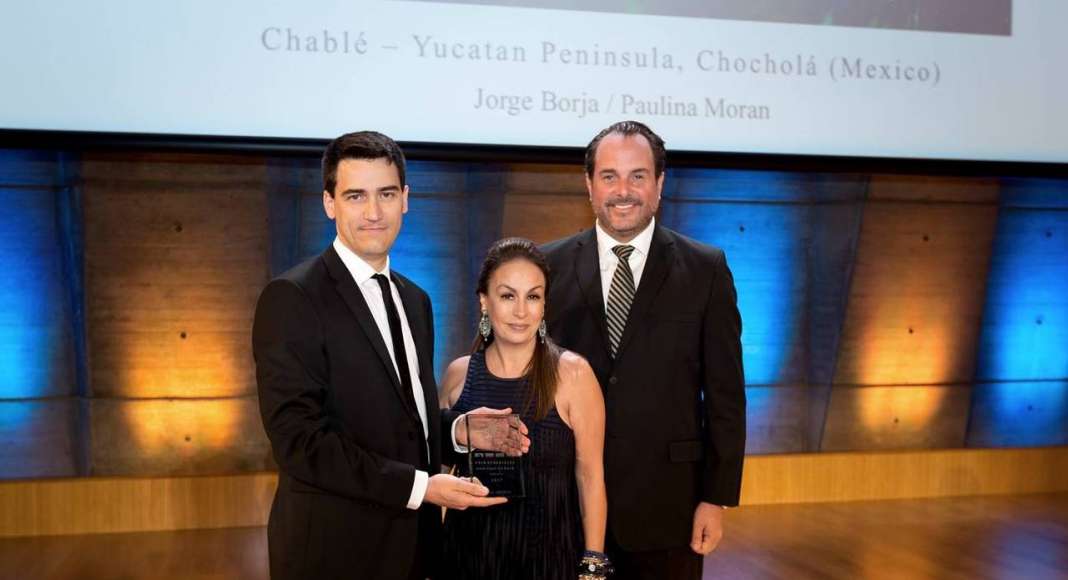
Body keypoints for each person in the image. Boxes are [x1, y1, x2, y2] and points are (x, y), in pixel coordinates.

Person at [253, 131, 525, 580]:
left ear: (406, 199)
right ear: (329, 202)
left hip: (414, 549)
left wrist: (458, 430)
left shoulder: (415, 299)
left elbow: (399, 420)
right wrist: (423, 487)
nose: (374, 212)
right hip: (332, 551)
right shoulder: (293, 297)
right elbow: (300, 442)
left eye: (386, 194)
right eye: (356, 195)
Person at [541, 121, 746, 580]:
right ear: (589, 184)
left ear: (659, 183)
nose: (623, 190)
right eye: (609, 176)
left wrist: (716, 497)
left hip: (668, 509)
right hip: (564, 506)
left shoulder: (705, 269)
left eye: (638, 175)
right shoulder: (546, 266)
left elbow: (726, 395)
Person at [438, 237, 611, 580]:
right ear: (484, 302)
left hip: (549, 562)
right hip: (467, 558)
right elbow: (441, 475)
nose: (521, 311)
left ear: (544, 305)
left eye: (533, 296)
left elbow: (591, 478)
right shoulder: (458, 375)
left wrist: (594, 568)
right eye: (507, 296)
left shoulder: (574, 374)